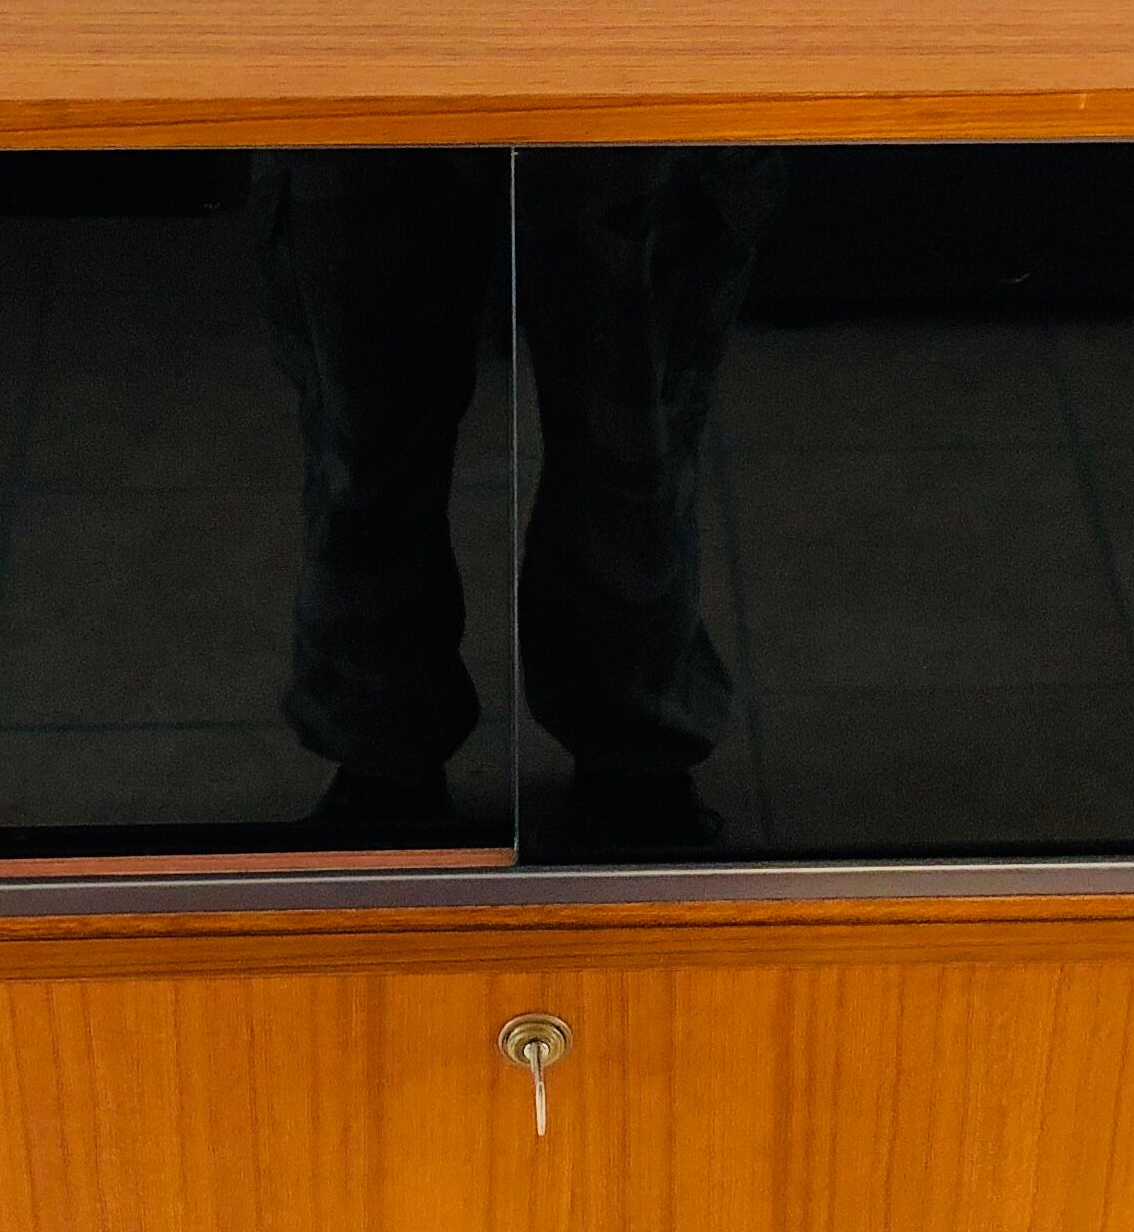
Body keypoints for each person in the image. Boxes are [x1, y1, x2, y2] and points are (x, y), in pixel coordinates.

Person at [257, 146, 781, 851]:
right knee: (363, 417)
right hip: (357, 60)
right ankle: (383, 757)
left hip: (630, 63)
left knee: (633, 428)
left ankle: (628, 758)